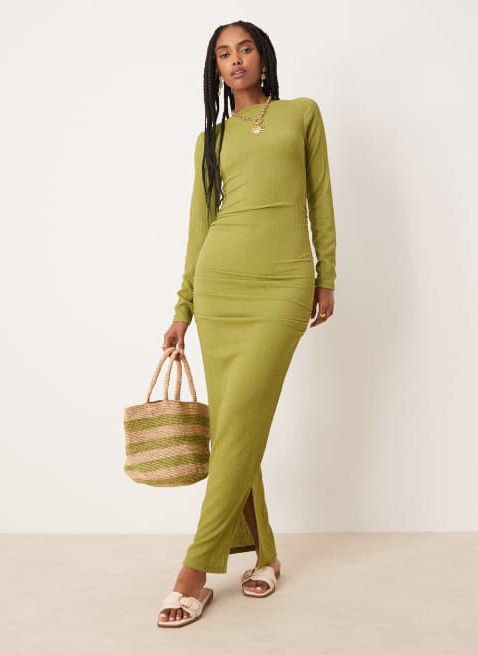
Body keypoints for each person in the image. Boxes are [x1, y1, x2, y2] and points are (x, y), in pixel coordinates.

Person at [157, 19, 336, 627]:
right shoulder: (209, 140)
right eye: (223, 55)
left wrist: (327, 276)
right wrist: (183, 308)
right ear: (216, 70)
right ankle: (265, 557)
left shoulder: (301, 114)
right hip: (220, 286)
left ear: (263, 57)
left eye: (245, 49)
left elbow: (320, 198)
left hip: (284, 284)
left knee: (238, 424)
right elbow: (199, 226)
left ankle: (195, 569)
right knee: (237, 426)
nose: (235, 60)